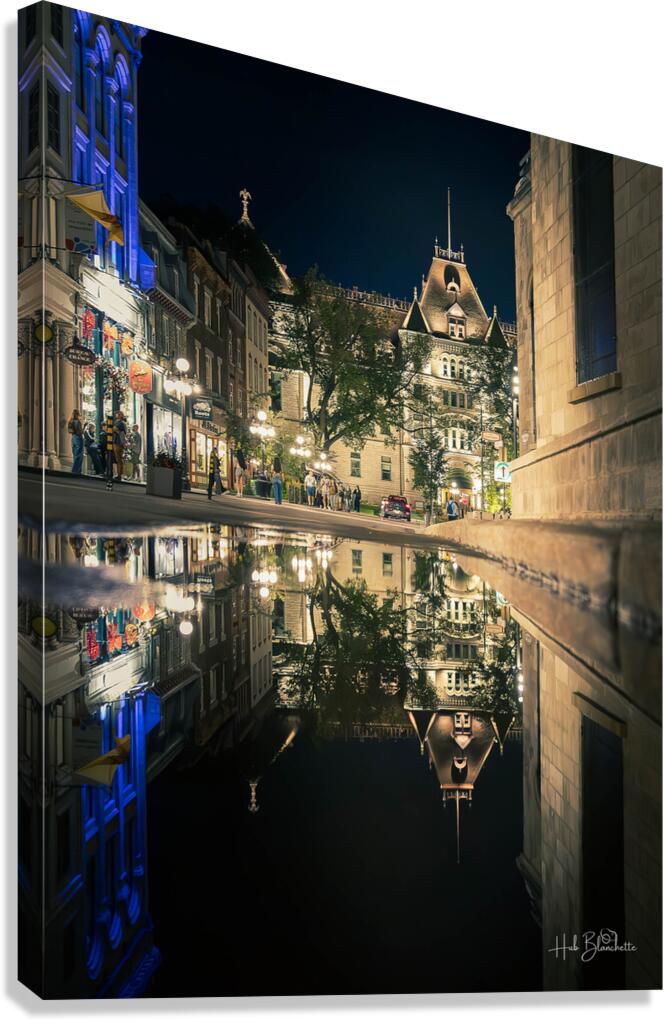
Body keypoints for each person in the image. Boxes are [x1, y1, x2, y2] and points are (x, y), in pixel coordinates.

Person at [112, 410, 128, 483]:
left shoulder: (120, 423)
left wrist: (115, 429)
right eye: (116, 414)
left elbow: (119, 431)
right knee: (118, 459)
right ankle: (119, 474)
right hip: (117, 442)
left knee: (119, 459)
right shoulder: (119, 422)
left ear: (121, 415)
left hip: (118, 443)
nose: (116, 415)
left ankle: (119, 475)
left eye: (118, 414)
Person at [68, 409, 84, 475]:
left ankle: (76, 471)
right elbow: (80, 432)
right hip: (78, 438)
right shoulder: (77, 421)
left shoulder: (70, 421)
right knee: (79, 455)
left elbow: (70, 431)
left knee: (75, 454)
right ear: (77, 414)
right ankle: (76, 471)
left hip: (73, 438)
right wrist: (84, 426)